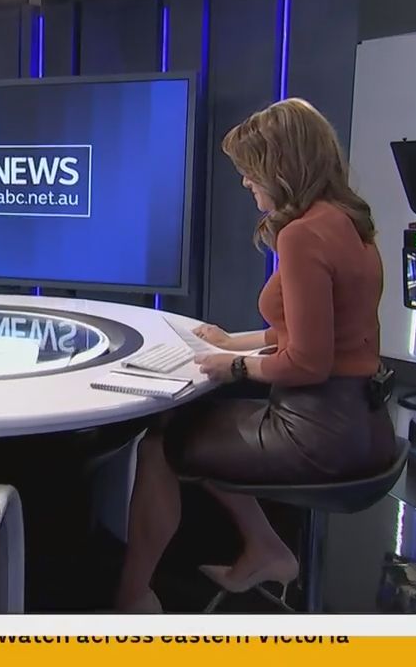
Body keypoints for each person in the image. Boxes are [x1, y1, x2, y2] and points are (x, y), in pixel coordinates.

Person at [115, 98, 396, 612]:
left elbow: (307, 362)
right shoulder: (349, 222)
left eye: (250, 170)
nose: (245, 182)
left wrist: (235, 367)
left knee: (161, 444)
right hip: (363, 422)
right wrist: (233, 341)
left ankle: (130, 599)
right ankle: (266, 549)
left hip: (319, 432)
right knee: (198, 422)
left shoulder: (302, 235)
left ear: (282, 167)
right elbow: (312, 331)